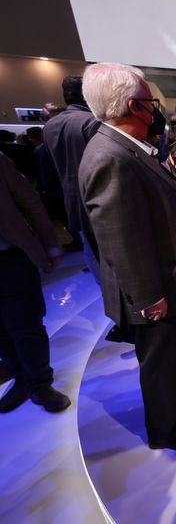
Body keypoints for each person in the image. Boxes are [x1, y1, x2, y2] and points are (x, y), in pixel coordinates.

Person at [79, 62, 176, 451]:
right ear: (131, 106)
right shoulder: (111, 156)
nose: (155, 108)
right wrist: (146, 297)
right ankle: (164, 429)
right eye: (148, 101)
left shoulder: (128, 148)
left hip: (172, 275)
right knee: (159, 357)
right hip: (155, 284)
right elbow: (120, 237)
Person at [0, 154, 70, 414]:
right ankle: (20, 378)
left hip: (9, 259)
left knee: (26, 326)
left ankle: (40, 384)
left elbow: (29, 202)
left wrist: (51, 246)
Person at [41, 75, 102, 282]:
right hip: (99, 201)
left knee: (92, 254)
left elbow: (50, 172)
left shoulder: (50, 126)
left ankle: (108, 299)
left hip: (71, 203)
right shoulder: (91, 123)